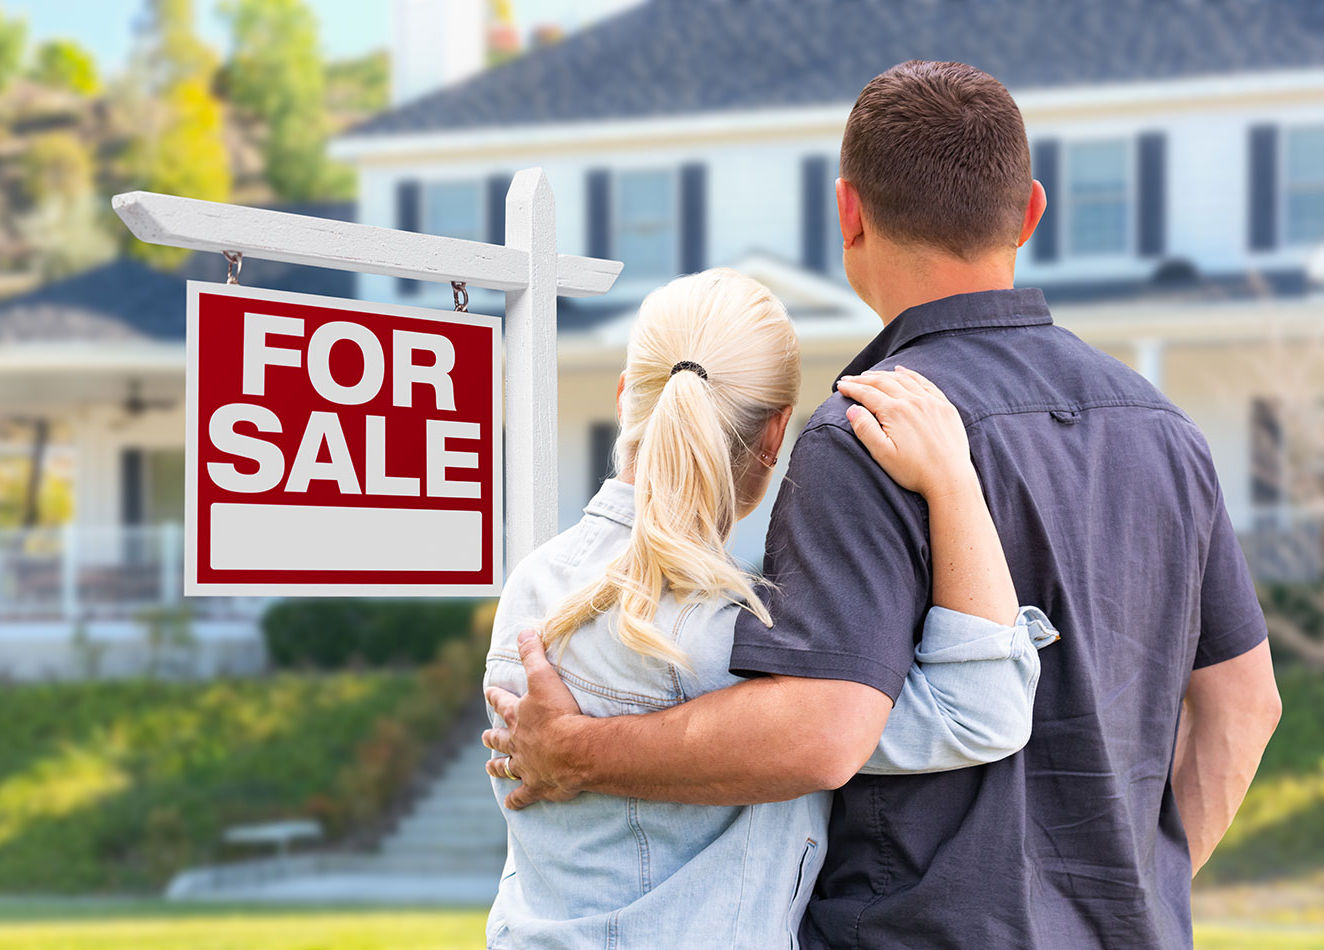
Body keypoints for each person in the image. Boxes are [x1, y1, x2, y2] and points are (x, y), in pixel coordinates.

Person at [483, 60, 1282, 949]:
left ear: (848, 214)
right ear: (1030, 214)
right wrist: (1136, 895)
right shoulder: (1167, 431)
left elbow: (819, 727)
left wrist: (581, 751)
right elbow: (1246, 705)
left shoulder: (865, 432)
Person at [482, 267, 1058, 948]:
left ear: (623, 396)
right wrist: (953, 480)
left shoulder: (531, 586)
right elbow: (979, 708)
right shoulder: (740, 639)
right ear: (775, 435)